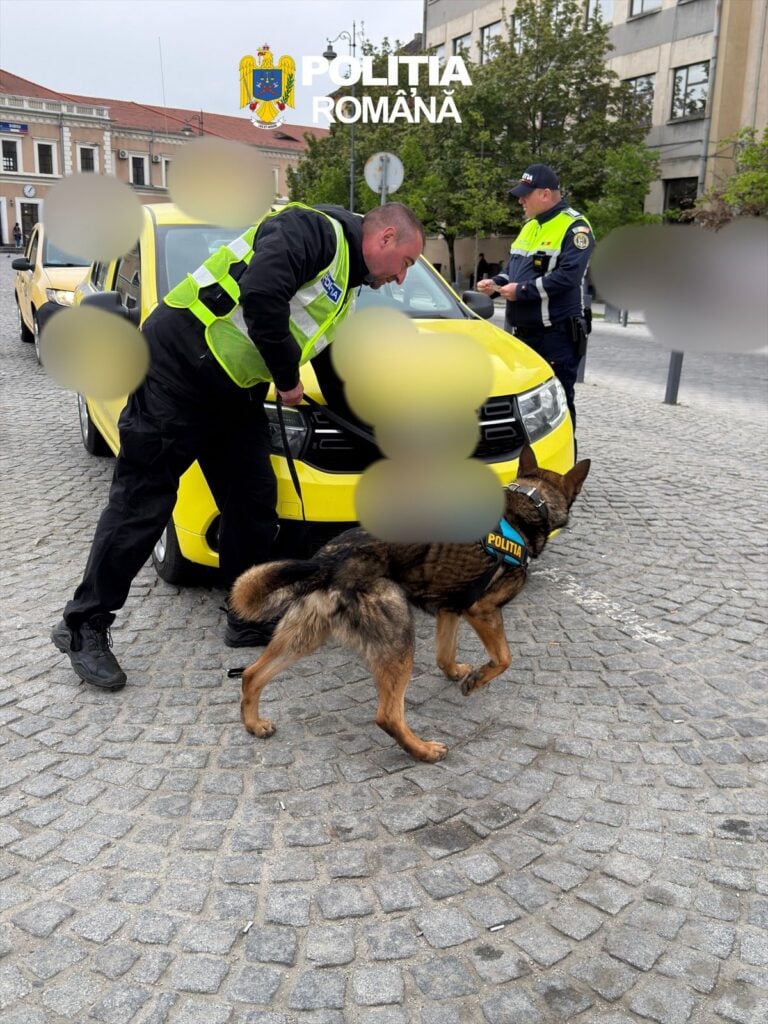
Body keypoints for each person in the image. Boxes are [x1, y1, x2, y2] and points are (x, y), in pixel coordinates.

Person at [51, 201, 425, 691]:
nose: (401, 279)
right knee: (143, 504)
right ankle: (84, 626)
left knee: (251, 501)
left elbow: (332, 364)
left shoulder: (348, 284)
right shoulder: (311, 231)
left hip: (232, 387)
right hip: (176, 368)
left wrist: (376, 438)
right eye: (407, 264)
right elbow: (261, 293)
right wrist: (288, 378)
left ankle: (244, 613)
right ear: (385, 241)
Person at [477, 163, 594, 432]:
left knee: (559, 402)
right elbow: (514, 269)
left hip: (557, 335)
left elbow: (568, 277)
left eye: (525, 195)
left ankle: (564, 469)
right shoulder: (530, 226)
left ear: (544, 194)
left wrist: (520, 292)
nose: (520, 200)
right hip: (525, 333)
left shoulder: (575, 227)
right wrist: (496, 282)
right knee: (529, 405)